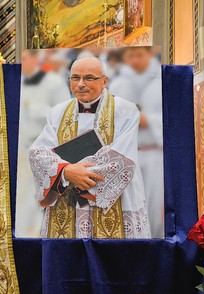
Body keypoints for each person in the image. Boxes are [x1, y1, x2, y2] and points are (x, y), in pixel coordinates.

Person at [28, 57, 150, 239]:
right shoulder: (57, 113)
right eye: (75, 78)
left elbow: (122, 158)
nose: (81, 84)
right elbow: (37, 153)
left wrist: (80, 175)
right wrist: (66, 171)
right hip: (66, 201)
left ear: (104, 81)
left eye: (89, 78)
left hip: (113, 200)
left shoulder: (126, 110)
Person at [109, 47, 164, 237]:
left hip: (154, 152)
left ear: (148, 55)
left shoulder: (160, 81)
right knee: (131, 206)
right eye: (130, 56)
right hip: (127, 155)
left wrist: (149, 121)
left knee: (155, 208)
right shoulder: (118, 84)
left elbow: (173, 117)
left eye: (139, 55)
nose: (134, 60)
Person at [16, 50, 71, 237]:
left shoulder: (53, 84)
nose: (22, 63)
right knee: (24, 202)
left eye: (25, 59)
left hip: (47, 152)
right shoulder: (18, 84)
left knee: (45, 202)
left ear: (35, 58)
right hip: (22, 152)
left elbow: (65, 117)